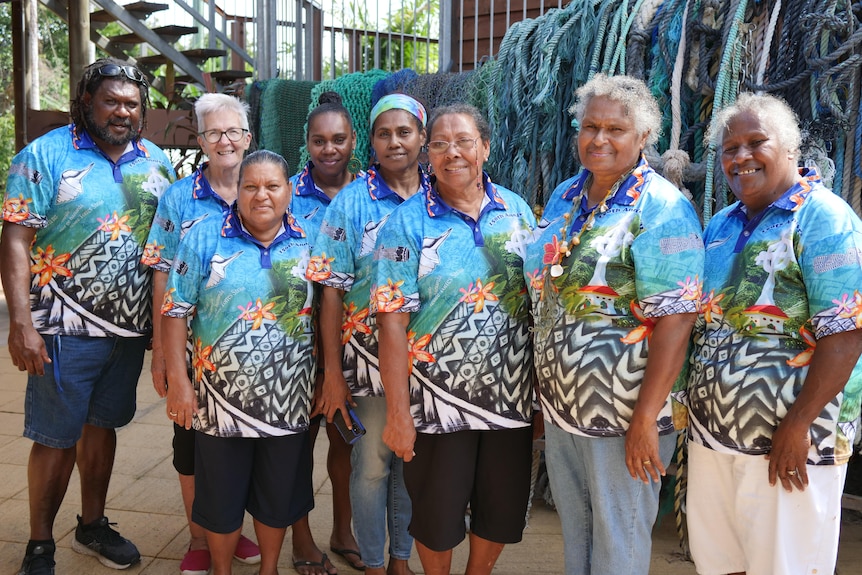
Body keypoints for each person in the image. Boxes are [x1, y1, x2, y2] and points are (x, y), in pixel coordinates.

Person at [522, 74, 704, 575]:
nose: (599, 139)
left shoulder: (663, 209)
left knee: (618, 541)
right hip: (565, 413)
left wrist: (644, 420)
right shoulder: (565, 196)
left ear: (643, 137)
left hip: (626, 418)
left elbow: (677, 320)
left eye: (615, 129)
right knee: (578, 533)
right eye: (590, 126)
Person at [0, 58, 175, 575]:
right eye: (111, 101)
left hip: (125, 331)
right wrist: (21, 322)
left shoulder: (156, 162)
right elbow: (15, 239)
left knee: (103, 427)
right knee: (55, 437)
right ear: (85, 103)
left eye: (132, 104)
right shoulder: (44, 156)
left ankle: (92, 524)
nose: (122, 112)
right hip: (60, 329)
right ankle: (39, 544)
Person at [685, 93, 862, 575]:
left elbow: (846, 333)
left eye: (755, 142)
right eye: (729, 148)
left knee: (785, 566)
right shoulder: (721, 224)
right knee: (721, 563)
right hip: (713, 437)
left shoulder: (824, 218)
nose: (741, 157)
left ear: (790, 148)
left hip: (791, 441)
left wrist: (799, 423)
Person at [374, 103, 538, 575]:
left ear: (485, 147)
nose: (452, 153)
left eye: (464, 141)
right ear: (427, 155)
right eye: (440, 144)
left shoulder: (517, 212)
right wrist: (398, 413)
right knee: (435, 515)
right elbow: (390, 321)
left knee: (500, 508)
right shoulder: (406, 223)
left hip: (508, 400)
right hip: (435, 403)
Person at [161, 150, 316, 575]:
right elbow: (175, 311)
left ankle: (269, 568)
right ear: (237, 192)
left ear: (289, 190)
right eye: (251, 186)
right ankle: (222, 570)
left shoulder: (312, 241)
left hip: (289, 399)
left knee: (276, 495)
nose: (261, 195)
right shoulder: (204, 237)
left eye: (272, 186)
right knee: (221, 498)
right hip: (218, 402)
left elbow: (329, 313)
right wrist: (179, 380)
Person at [308, 93, 428, 575]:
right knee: (373, 463)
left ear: (422, 136)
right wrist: (333, 372)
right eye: (384, 133)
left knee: (410, 462)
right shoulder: (353, 202)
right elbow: (331, 293)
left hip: (429, 362)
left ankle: (402, 558)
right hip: (367, 359)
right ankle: (375, 561)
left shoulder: (439, 193)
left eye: (405, 132)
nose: (395, 142)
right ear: (370, 142)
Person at [143, 93, 261, 575]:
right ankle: (198, 534)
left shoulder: (269, 187)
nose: (225, 140)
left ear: (248, 138)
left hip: (255, 348)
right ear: (200, 141)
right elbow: (160, 273)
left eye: (233, 131)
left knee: (246, 442)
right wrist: (163, 355)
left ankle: (233, 529)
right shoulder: (179, 197)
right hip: (192, 347)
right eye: (214, 132)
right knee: (191, 440)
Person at [289, 91, 365, 574]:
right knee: (295, 445)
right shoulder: (286, 193)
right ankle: (300, 540)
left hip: (352, 341)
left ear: (353, 140)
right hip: (294, 340)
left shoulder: (369, 193)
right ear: (307, 143)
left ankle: (343, 530)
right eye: (319, 140)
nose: (329, 149)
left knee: (346, 443)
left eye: (338, 139)